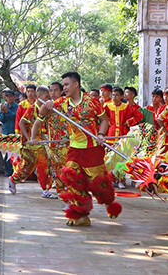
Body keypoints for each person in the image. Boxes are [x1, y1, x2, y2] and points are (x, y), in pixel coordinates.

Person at [39, 72, 121, 227]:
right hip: (74, 149)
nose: (64, 88)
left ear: (76, 84)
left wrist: (101, 134)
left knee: (98, 184)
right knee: (73, 180)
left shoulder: (92, 102)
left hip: (92, 148)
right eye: (63, 85)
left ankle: (110, 204)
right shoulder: (62, 102)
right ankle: (81, 215)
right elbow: (42, 114)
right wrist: (47, 105)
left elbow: (104, 120)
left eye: (66, 85)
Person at [10, 86, 54, 198]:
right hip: (30, 145)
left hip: (39, 144)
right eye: (46, 96)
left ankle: (45, 190)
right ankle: (13, 180)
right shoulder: (31, 109)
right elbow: (21, 123)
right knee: (26, 168)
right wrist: (28, 138)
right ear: (39, 96)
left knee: (44, 166)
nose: (48, 98)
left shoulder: (44, 109)